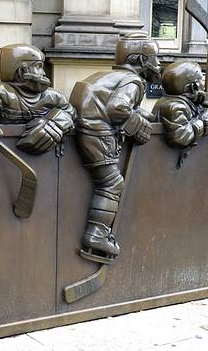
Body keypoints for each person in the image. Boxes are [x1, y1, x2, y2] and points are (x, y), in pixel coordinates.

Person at [69, 33, 161, 262]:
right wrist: (138, 125)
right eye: (154, 58)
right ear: (141, 60)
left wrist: (142, 114)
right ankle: (96, 234)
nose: (158, 64)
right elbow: (118, 108)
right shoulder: (133, 81)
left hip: (85, 129)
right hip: (97, 134)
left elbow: (112, 103)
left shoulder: (107, 76)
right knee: (111, 183)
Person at [0, 44, 77, 155]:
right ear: (21, 71)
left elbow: (71, 113)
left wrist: (56, 123)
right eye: (38, 67)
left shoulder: (52, 96)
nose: (43, 73)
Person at [152, 60, 208, 168]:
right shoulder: (175, 106)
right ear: (192, 87)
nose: (204, 84)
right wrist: (203, 122)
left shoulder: (182, 102)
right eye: (201, 80)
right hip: (165, 165)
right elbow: (180, 137)